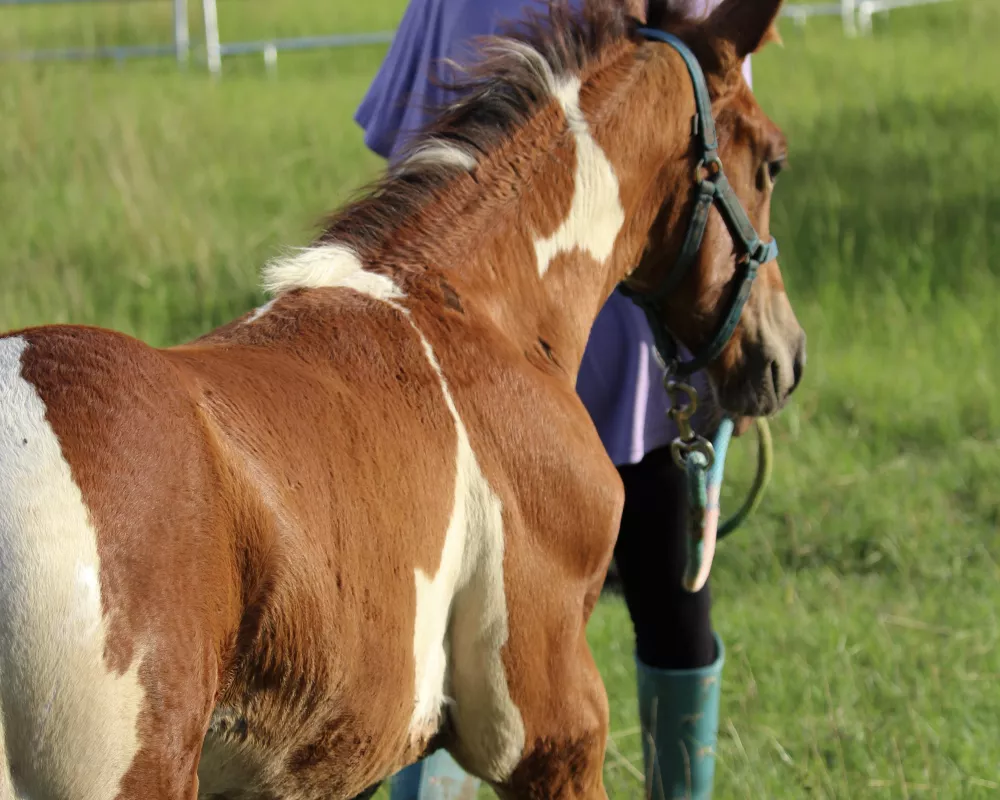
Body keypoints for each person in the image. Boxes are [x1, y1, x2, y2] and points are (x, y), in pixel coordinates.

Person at [354, 1, 752, 797]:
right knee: (450, 641)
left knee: (448, 639)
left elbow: (403, 159)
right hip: (515, 378)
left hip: (571, 369)